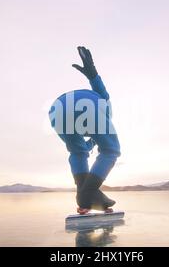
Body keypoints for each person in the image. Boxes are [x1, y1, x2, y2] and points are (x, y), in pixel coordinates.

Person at [49, 46, 121, 215]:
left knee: (77, 151)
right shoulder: (107, 113)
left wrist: (89, 145)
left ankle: (85, 200)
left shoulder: (90, 128)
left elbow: (83, 148)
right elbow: (103, 95)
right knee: (111, 150)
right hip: (87, 104)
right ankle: (86, 195)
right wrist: (93, 74)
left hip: (56, 109)